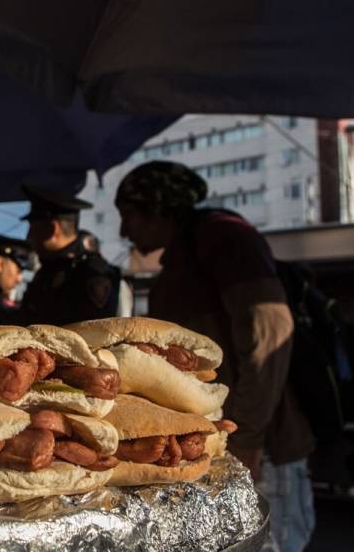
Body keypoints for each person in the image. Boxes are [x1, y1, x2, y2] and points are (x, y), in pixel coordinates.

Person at [115, 160, 314, 552]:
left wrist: (249, 434)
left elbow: (269, 332)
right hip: (227, 443)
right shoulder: (185, 254)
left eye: (129, 216)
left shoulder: (223, 237)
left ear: (157, 207)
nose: (124, 231)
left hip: (260, 447)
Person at [19, 184, 120, 325]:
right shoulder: (50, 270)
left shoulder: (91, 272)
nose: (28, 237)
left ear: (52, 229)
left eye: (32, 228)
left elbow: (94, 335)